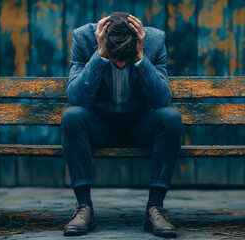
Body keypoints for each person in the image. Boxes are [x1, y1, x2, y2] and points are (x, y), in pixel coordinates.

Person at [61, 12, 182, 238]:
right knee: (72, 116)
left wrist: (140, 57)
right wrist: (100, 54)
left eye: (125, 58)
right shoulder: (83, 38)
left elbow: (161, 100)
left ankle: (155, 208)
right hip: (100, 126)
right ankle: (84, 207)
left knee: (171, 117)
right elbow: (76, 98)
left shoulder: (154, 41)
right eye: (115, 57)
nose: (120, 63)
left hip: (139, 126)